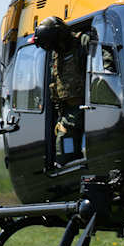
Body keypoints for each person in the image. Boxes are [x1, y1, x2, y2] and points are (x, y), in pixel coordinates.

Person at [34, 17, 87, 164]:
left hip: (87, 106)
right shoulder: (56, 54)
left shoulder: (82, 43)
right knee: (63, 147)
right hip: (68, 111)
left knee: (69, 143)